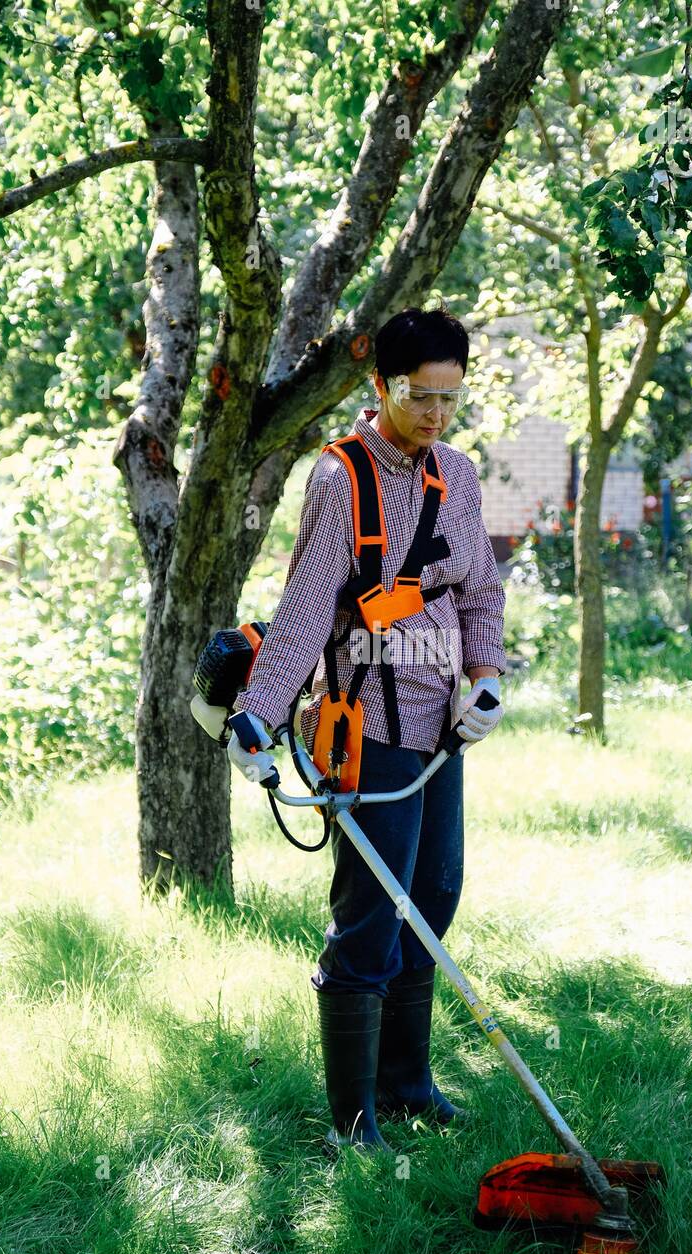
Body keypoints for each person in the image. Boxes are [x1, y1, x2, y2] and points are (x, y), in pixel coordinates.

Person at [229, 306, 507, 1152]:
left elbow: (480, 591)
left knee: (433, 900)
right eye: (420, 396)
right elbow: (307, 611)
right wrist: (259, 714)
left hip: (442, 730)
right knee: (371, 920)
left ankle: (409, 1085)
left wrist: (486, 682)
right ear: (380, 385)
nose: (435, 414)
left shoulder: (456, 475)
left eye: (450, 399)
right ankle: (354, 1125)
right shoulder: (339, 480)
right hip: (367, 727)